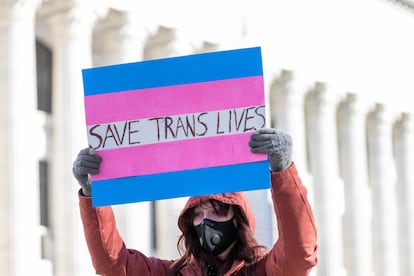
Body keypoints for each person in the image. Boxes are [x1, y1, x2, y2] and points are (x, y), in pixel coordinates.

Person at [73, 128, 318, 276]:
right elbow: (114, 265)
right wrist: (94, 193)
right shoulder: (173, 274)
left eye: (217, 212)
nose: (206, 221)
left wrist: (283, 169)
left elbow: (301, 250)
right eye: (198, 215)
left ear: (238, 220)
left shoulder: (265, 271)